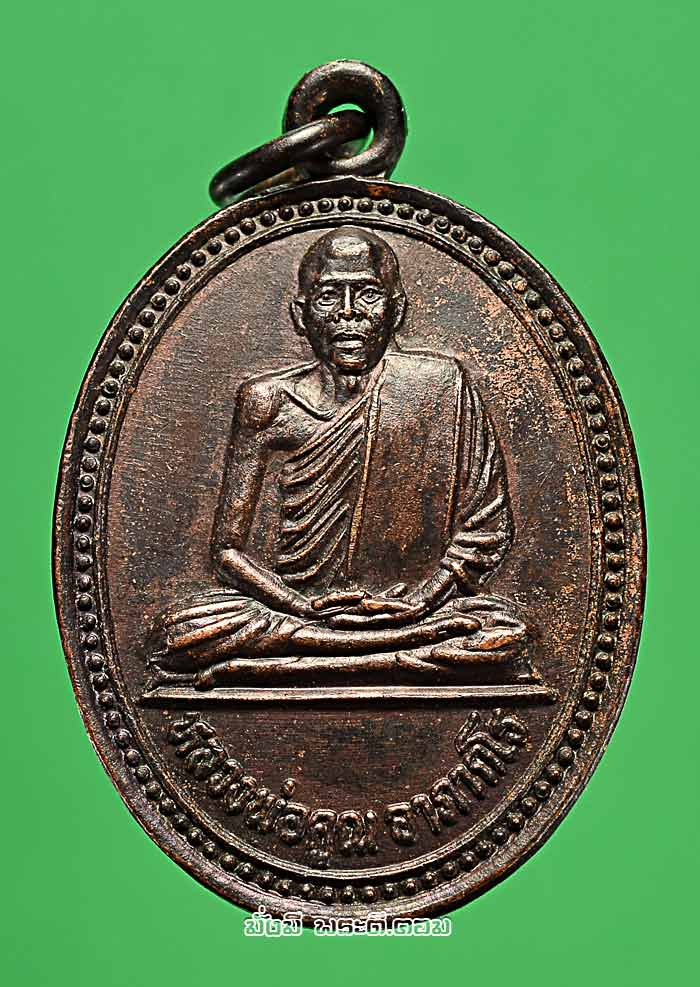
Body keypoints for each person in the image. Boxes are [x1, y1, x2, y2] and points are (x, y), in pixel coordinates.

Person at [148, 228, 528, 689]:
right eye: (329, 296)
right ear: (301, 315)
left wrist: (421, 601)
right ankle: (387, 653)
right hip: (296, 610)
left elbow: (486, 530)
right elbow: (227, 552)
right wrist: (300, 606)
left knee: (504, 629)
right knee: (181, 631)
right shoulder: (267, 401)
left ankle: (311, 659)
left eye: (367, 294)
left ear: (396, 311)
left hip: (415, 609)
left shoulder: (441, 386)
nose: (349, 313)